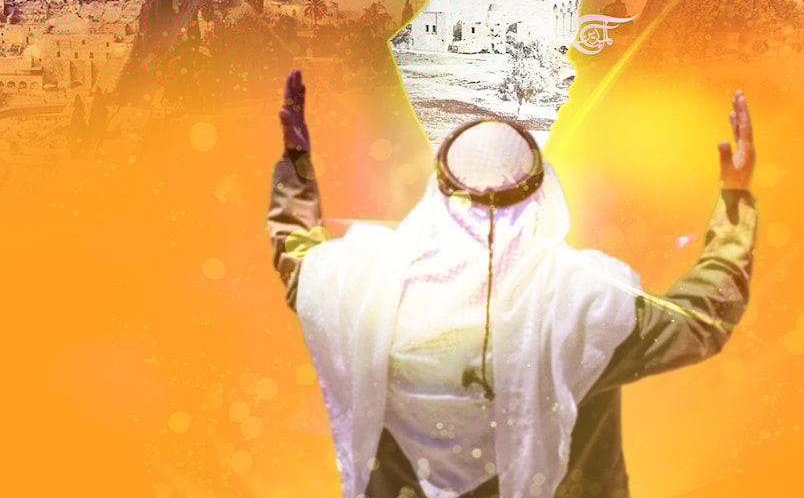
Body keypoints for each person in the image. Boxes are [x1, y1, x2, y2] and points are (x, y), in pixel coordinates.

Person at [268, 70, 759, 498]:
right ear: (539, 194)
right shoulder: (584, 306)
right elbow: (703, 321)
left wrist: (296, 162)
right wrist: (735, 200)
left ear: (441, 191)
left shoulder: (365, 287)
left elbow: (297, 262)